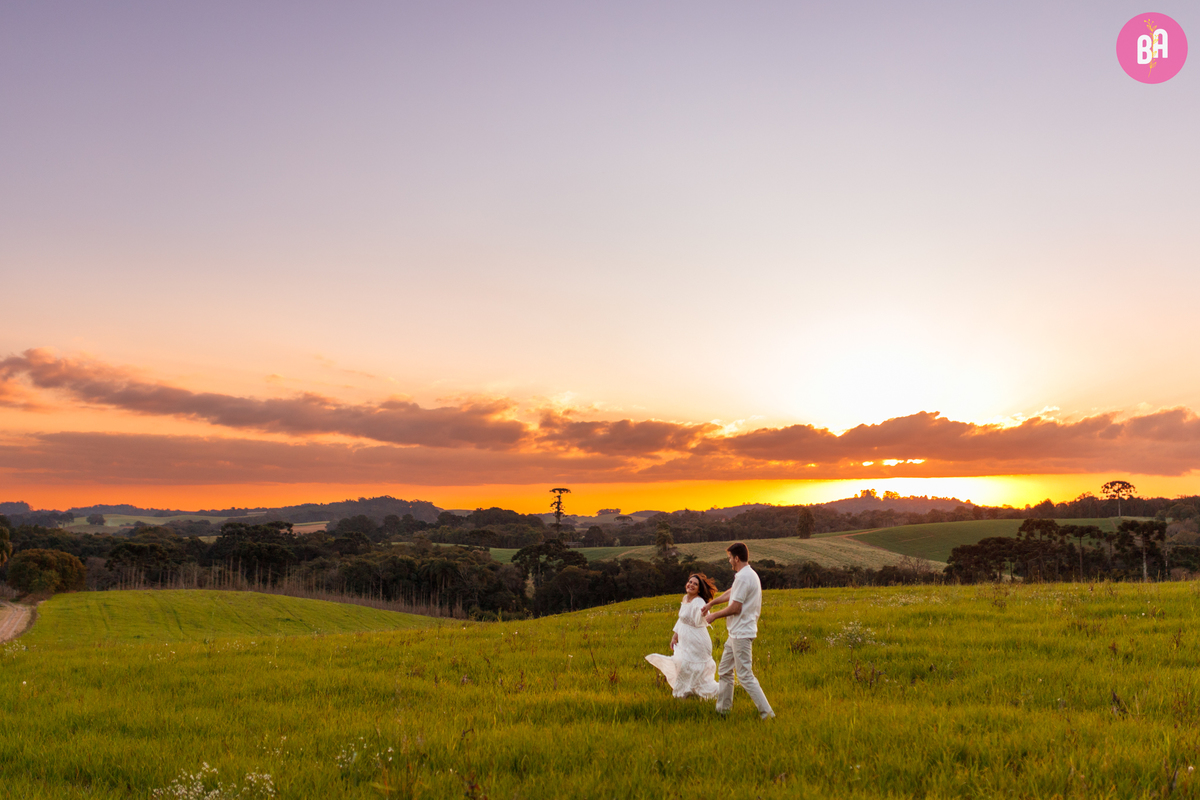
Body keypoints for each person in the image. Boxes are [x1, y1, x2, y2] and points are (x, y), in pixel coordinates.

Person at [703, 542, 775, 719]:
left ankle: (768, 714)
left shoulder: (744, 577)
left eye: (730, 558)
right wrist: (712, 603)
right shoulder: (746, 575)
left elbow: (736, 607)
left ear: (736, 558)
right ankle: (723, 710)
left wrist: (714, 616)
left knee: (745, 676)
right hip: (735, 633)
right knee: (724, 671)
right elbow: (732, 592)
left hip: (741, 634)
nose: (729, 561)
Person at [644, 573, 721, 699]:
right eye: (690, 582)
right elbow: (682, 619)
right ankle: (686, 693)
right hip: (686, 640)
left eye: (695, 584)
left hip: (697, 641)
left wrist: (703, 613)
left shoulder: (698, 601)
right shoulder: (685, 599)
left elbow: (699, 617)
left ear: (699, 589)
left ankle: (706, 692)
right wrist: (675, 636)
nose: (691, 585)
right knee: (684, 666)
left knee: (691, 667)